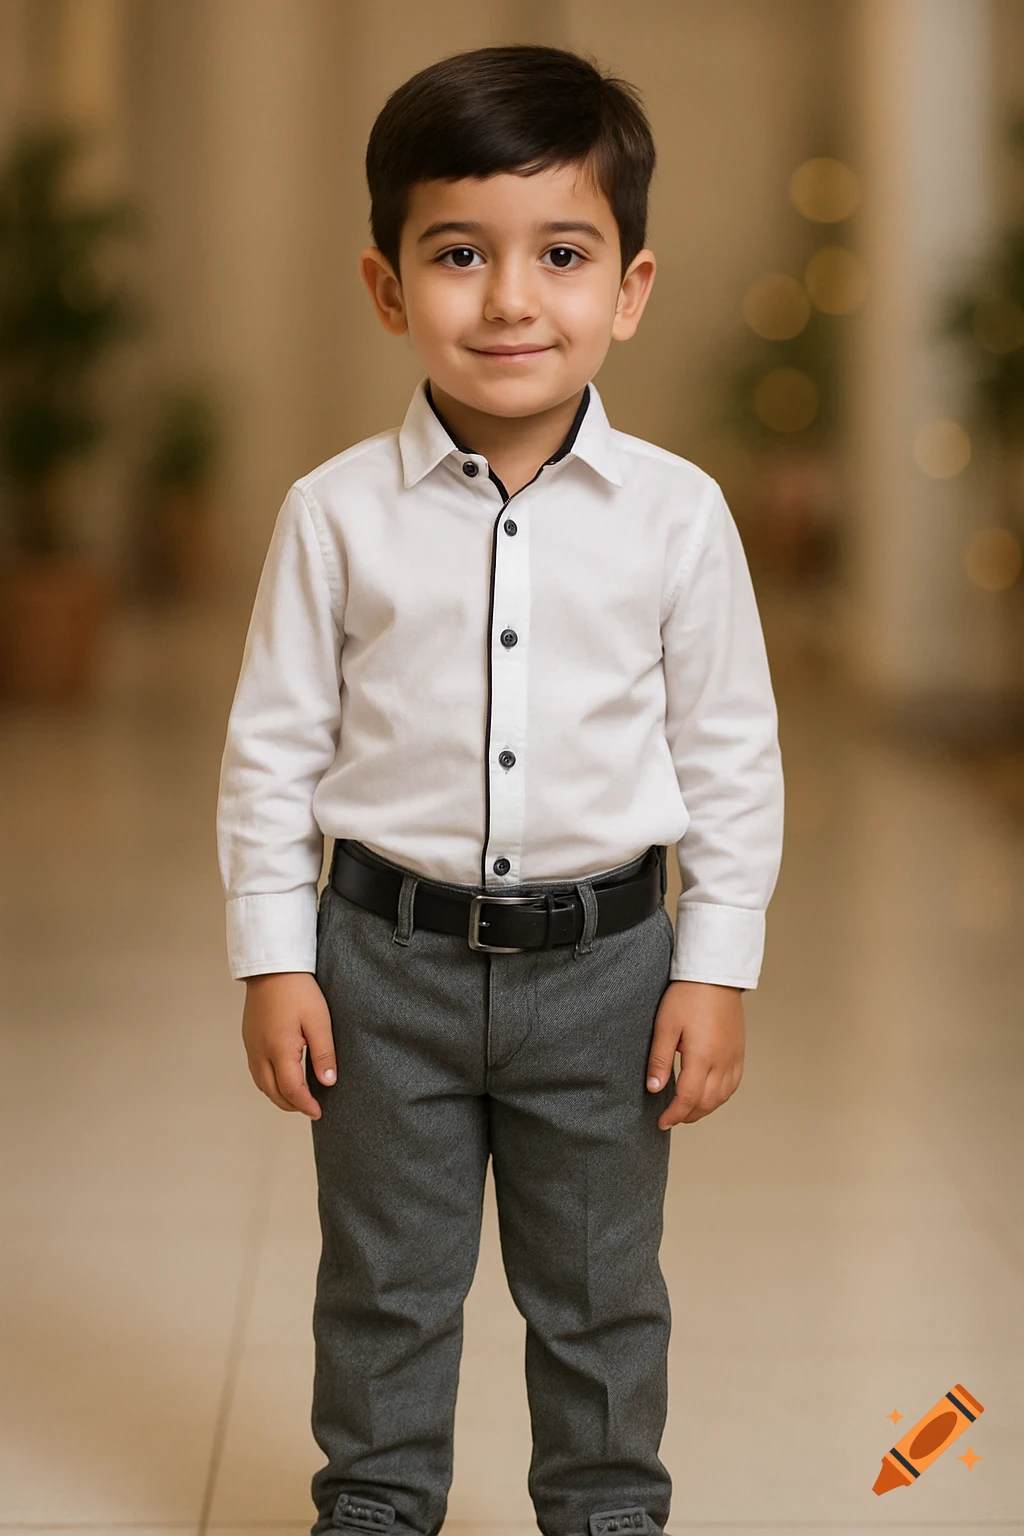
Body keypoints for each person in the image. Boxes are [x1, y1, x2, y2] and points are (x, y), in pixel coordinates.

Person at [215, 42, 784, 1536]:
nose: (513, 298)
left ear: (632, 288)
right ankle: (377, 1505)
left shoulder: (679, 518)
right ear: (388, 286)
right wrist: (276, 955)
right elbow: (270, 748)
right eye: (460, 252)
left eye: (563, 254)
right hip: (379, 968)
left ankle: (604, 1512)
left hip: (607, 970)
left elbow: (733, 756)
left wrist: (715, 967)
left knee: (598, 1291)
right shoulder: (333, 515)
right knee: (387, 1283)